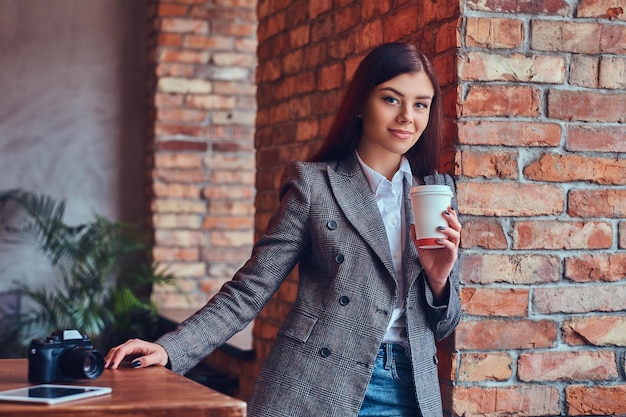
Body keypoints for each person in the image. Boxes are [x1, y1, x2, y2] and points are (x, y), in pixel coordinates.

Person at [105, 41, 462, 417]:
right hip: (319, 385)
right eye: (391, 99)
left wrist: (439, 279)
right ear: (361, 102)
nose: (408, 116)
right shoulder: (314, 185)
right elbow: (250, 289)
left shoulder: (436, 193)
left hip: (409, 391)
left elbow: (443, 326)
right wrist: (171, 348)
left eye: (421, 104)